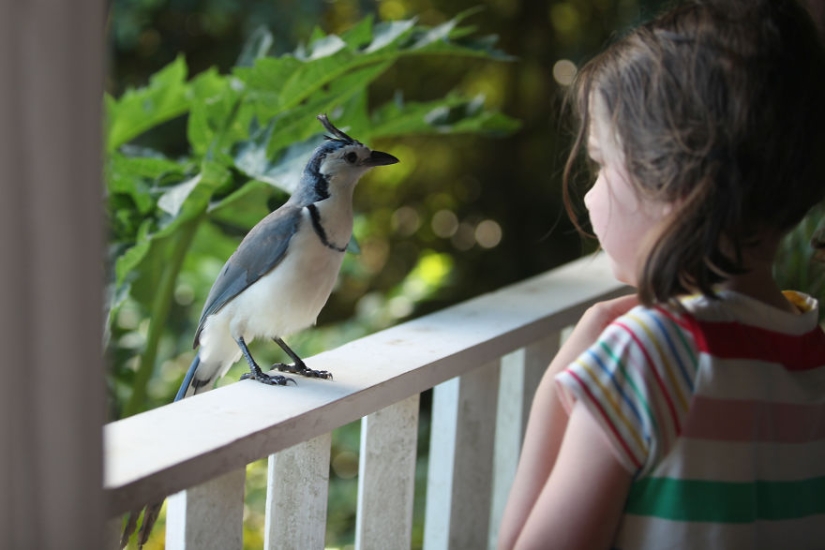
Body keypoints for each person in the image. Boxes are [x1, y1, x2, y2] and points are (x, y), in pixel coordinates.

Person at [497, 0, 825, 548]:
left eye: (602, 164)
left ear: (677, 180)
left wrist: (561, 383)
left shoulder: (647, 354)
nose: (589, 195)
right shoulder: (810, 352)